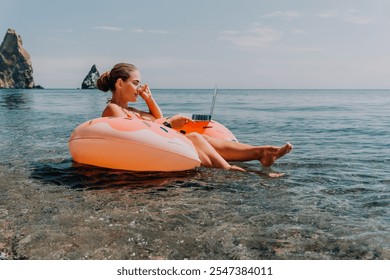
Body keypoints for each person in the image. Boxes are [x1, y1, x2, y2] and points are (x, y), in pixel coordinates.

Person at [97, 63, 293, 171]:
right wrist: (170, 123)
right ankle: (228, 170)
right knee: (194, 138)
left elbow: (156, 118)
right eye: (135, 82)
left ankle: (261, 152)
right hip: (140, 155)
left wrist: (150, 99)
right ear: (121, 83)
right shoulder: (114, 110)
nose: (139, 88)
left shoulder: (133, 111)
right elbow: (134, 135)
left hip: (157, 150)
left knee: (204, 138)